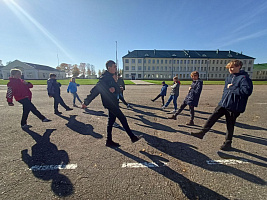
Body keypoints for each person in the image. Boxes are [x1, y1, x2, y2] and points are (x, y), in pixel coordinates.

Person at [191, 60, 253, 151]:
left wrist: (232, 87)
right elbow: (225, 91)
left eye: (233, 67)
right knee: (212, 117)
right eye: (229, 67)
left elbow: (246, 92)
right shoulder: (229, 77)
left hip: (234, 106)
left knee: (230, 124)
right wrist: (223, 99)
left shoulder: (244, 78)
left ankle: (228, 143)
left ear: (239, 66)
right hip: (223, 103)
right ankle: (202, 133)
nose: (230, 69)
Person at [82, 60, 142, 147]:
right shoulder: (104, 78)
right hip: (110, 103)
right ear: (109, 68)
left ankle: (109, 141)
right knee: (122, 118)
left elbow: (117, 89)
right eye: (114, 67)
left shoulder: (111, 77)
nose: (116, 68)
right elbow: (96, 90)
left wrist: (115, 88)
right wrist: (86, 102)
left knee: (111, 122)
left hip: (113, 102)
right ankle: (132, 137)